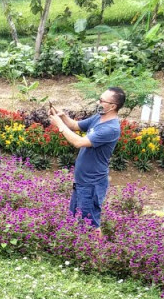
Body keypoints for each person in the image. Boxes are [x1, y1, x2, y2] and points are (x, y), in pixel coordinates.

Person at [49, 86, 125, 228]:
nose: (98, 102)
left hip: (92, 183)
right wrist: (62, 116)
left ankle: (99, 249)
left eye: (102, 100)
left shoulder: (110, 129)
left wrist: (59, 125)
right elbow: (74, 125)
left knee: (91, 224)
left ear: (113, 106)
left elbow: (78, 142)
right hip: (82, 181)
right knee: (75, 220)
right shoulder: (99, 118)